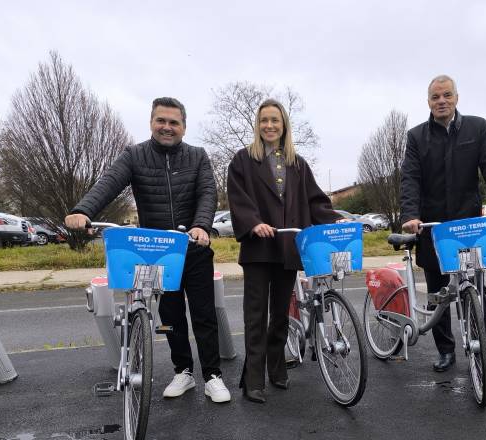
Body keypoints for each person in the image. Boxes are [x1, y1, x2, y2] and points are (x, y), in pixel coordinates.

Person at [65, 97, 231, 402]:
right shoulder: (134, 155)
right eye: (161, 121)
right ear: (152, 122)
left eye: (174, 122)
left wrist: (202, 225)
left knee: (204, 315)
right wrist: (83, 210)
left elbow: (208, 192)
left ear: (183, 126)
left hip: (193, 248)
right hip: (157, 253)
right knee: (169, 317)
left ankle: (212, 375)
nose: (167, 127)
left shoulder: (197, 156)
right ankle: (183, 371)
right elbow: (109, 182)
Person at [400, 75, 486, 373]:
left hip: (469, 227)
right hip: (432, 227)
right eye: (435, 97)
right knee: (438, 293)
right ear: (428, 102)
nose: (441, 101)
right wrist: (411, 215)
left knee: (475, 289)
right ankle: (446, 350)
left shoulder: (477, 127)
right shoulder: (417, 137)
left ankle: (481, 348)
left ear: (456, 98)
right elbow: (410, 179)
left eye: (447, 95)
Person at [227, 99, 341, 403]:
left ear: (284, 124)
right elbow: (237, 198)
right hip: (258, 248)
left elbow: (316, 201)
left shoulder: (297, 163)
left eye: (275, 120)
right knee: (255, 316)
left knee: (279, 314)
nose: (269, 125)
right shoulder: (243, 160)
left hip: (288, 248)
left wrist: (336, 221)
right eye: (264, 120)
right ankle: (253, 380)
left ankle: (277, 370)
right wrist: (253, 223)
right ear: (257, 125)